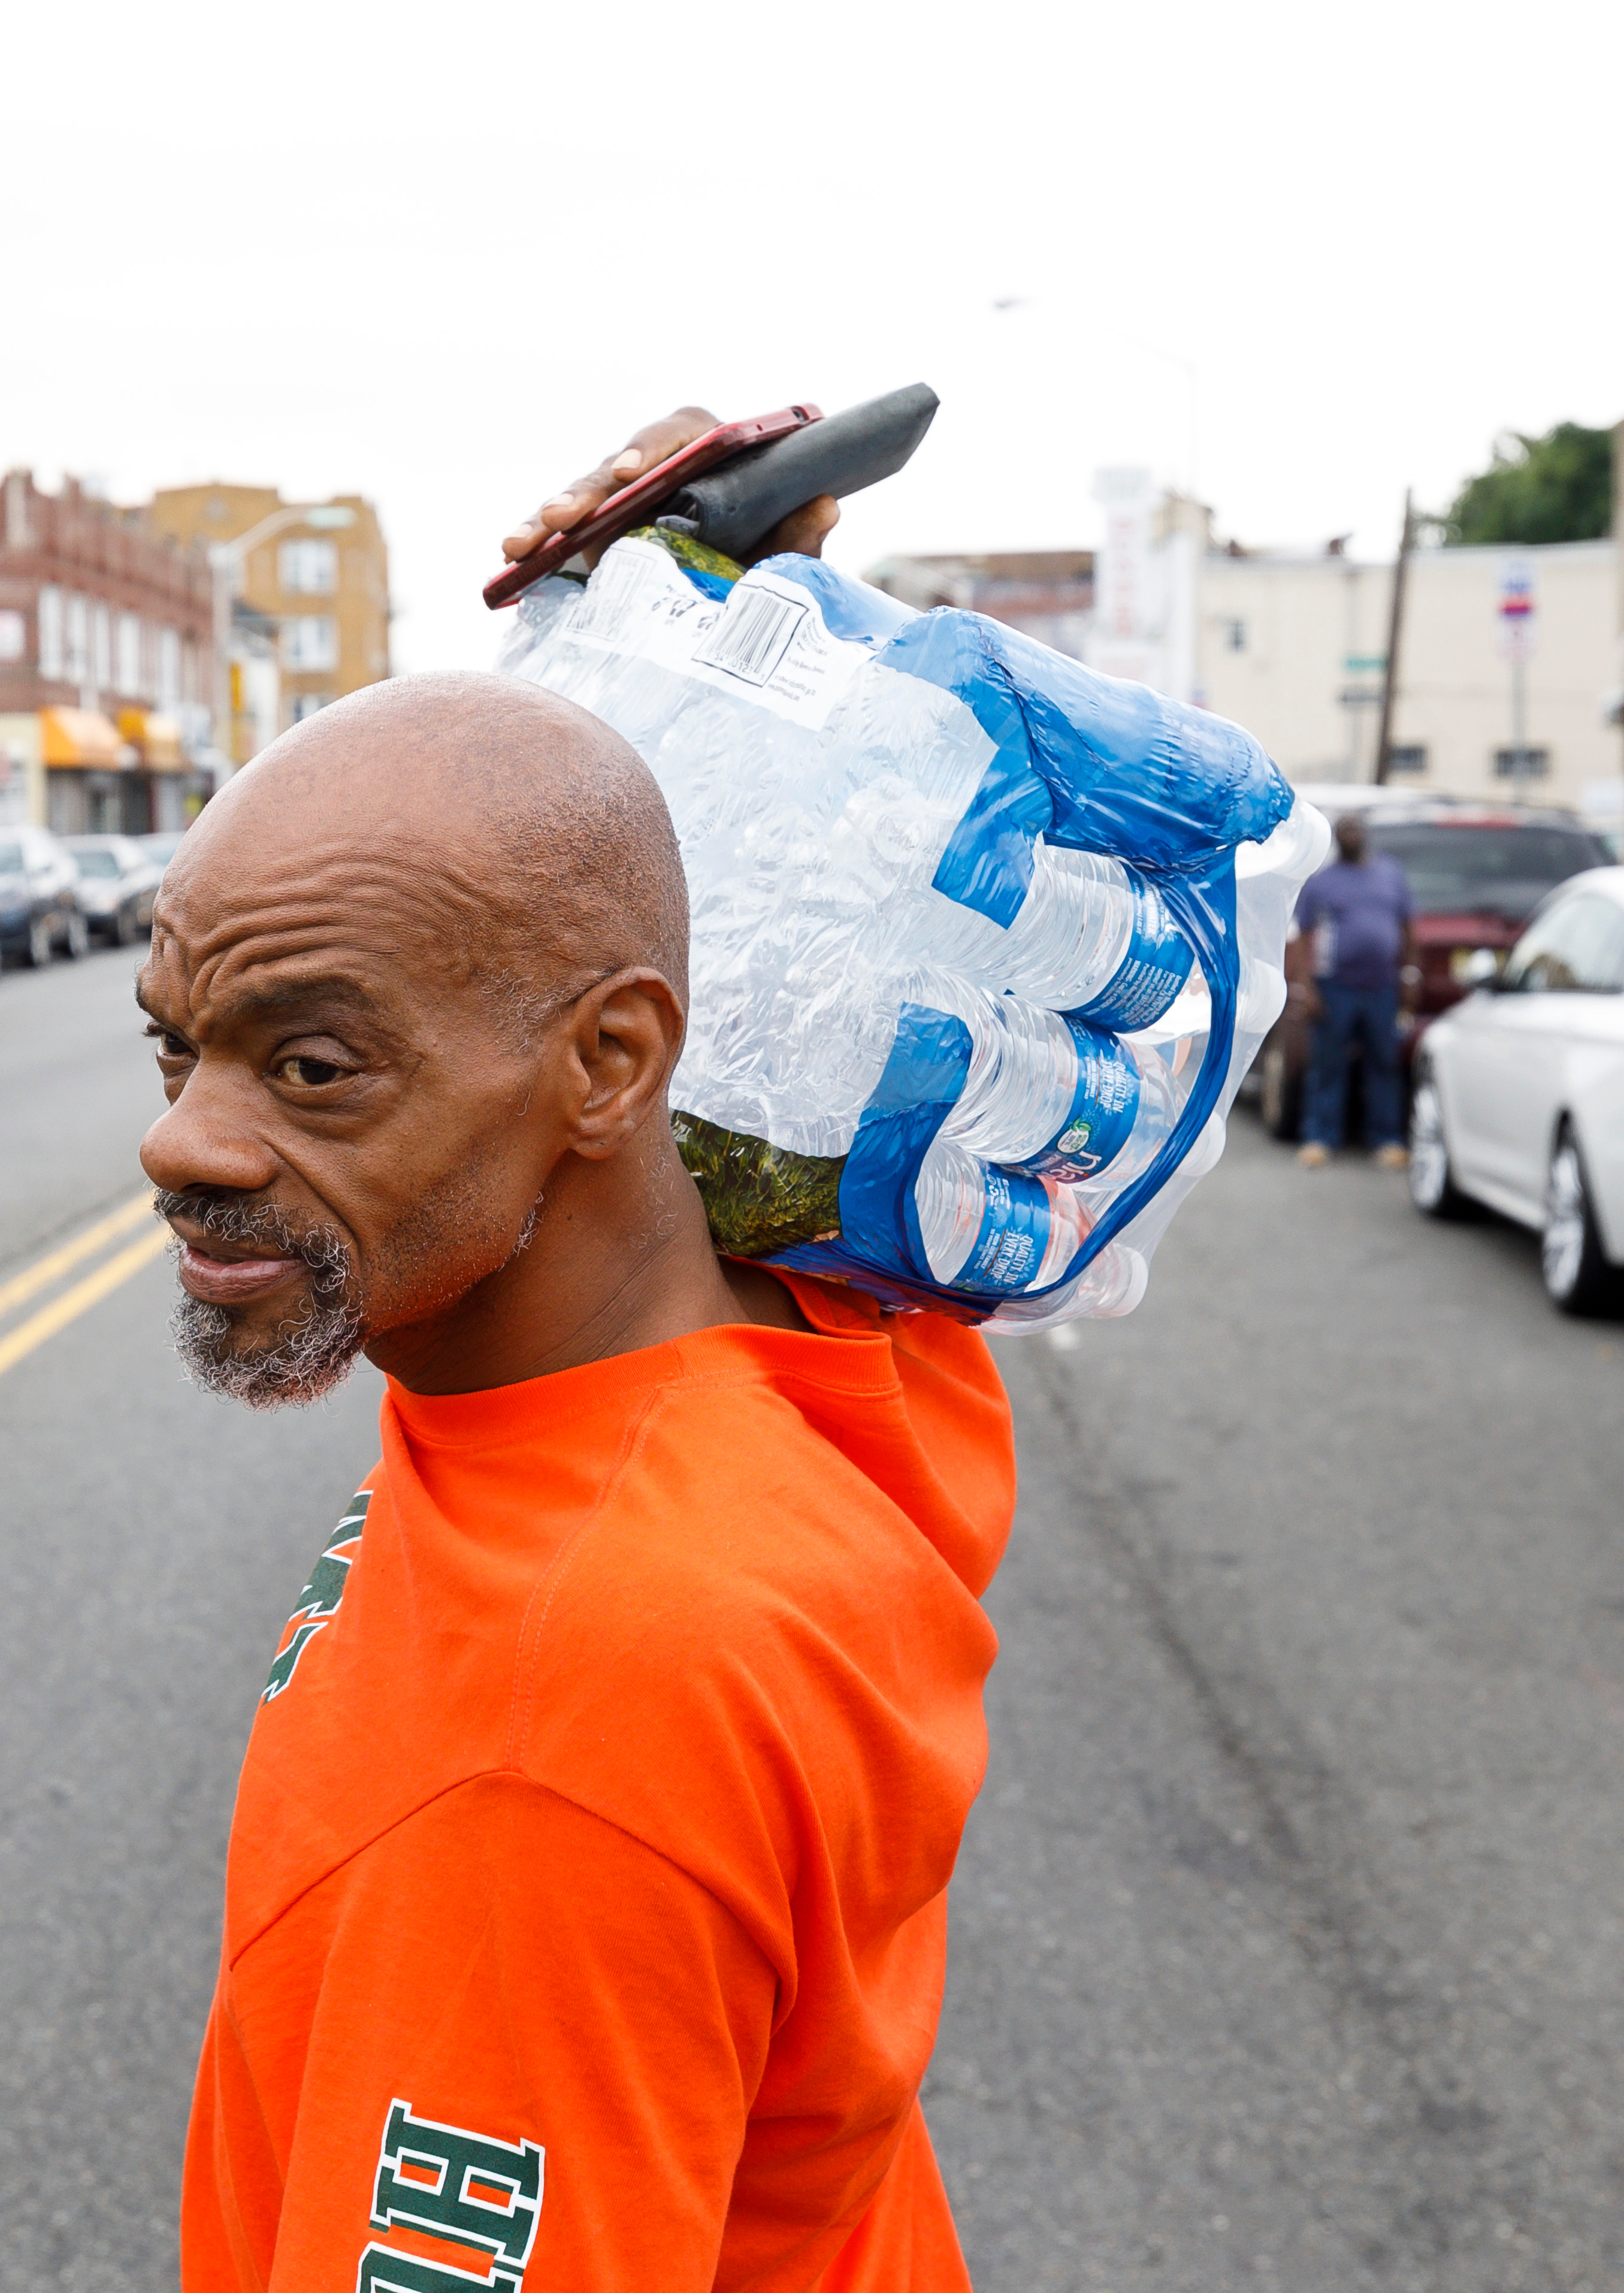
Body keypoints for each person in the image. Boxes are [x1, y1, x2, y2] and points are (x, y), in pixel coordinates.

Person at [144, 416, 1015, 2291]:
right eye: (178, 1047)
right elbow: (745, 1039)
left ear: (611, 1066)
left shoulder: (561, 1739)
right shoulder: (832, 1361)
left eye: (313, 1065)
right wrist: (705, 623)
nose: (183, 1141)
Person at [1290, 810, 1417, 1169]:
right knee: (1328, 1064)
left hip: (1382, 987)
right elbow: (1303, 936)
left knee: (1384, 1062)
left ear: (1365, 833)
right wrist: (1306, 987)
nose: (1350, 833)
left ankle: (1387, 1139)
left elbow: (1409, 928)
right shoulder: (1322, 883)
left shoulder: (1390, 874)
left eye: (1355, 827)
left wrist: (1410, 976)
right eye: (1344, 828)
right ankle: (1320, 1137)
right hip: (1335, 987)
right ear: (1336, 836)